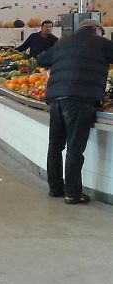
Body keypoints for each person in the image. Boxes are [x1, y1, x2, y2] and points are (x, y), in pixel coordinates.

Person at [37, 19, 113, 205]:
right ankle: (72, 193)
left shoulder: (62, 42)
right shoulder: (102, 43)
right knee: (74, 148)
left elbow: (41, 59)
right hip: (80, 99)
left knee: (55, 146)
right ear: (97, 30)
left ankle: (55, 188)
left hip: (55, 98)